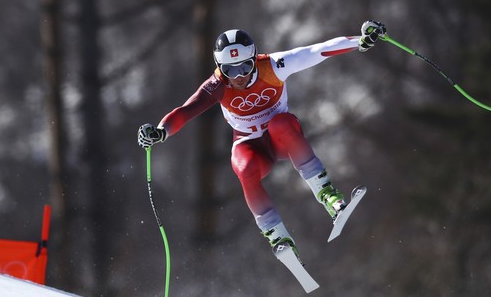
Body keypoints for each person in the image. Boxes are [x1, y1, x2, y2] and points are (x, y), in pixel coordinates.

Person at [138, 20, 386, 263]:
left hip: (281, 139)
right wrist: (161, 132)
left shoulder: (273, 66)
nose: (239, 77)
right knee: (243, 168)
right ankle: (277, 236)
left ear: (254, 59)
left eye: (245, 67)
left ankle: (330, 198)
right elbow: (185, 111)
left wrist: (360, 42)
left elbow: (316, 51)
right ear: (219, 67)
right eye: (230, 70)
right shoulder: (217, 86)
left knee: (282, 123)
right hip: (251, 147)